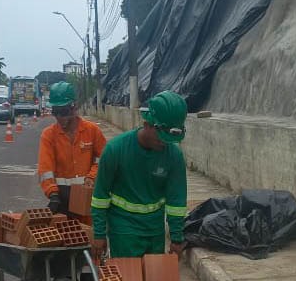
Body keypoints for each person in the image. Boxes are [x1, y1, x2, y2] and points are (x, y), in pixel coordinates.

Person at [90, 91, 188, 260]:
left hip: (155, 230)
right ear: (147, 124)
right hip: (123, 230)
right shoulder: (116, 150)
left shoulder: (174, 156)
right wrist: (99, 234)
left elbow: (176, 201)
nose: (165, 143)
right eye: (161, 137)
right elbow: (100, 196)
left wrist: (176, 238)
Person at [37, 81, 107, 217]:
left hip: (88, 196)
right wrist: (53, 194)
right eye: (55, 112)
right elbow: (45, 169)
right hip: (61, 198)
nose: (59, 117)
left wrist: (91, 178)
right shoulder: (49, 135)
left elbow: (103, 160)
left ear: (74, 107)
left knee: (88, 235)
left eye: (63, 112)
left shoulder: (92, 131)